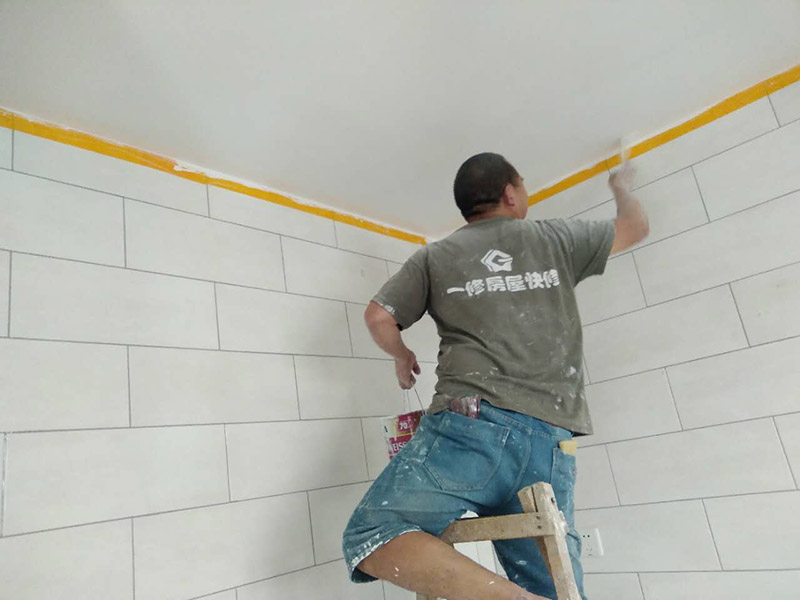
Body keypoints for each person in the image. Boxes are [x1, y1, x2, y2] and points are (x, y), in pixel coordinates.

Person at [342, 152, 648, 600]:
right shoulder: (555, 238)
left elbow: (377, 316)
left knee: (373, 532)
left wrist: (402, 355)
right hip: (549, 442)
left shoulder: (435, 256)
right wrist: (621, 188)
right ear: (510, 193)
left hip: (469, 433)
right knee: (552, 587)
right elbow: (634, 227)